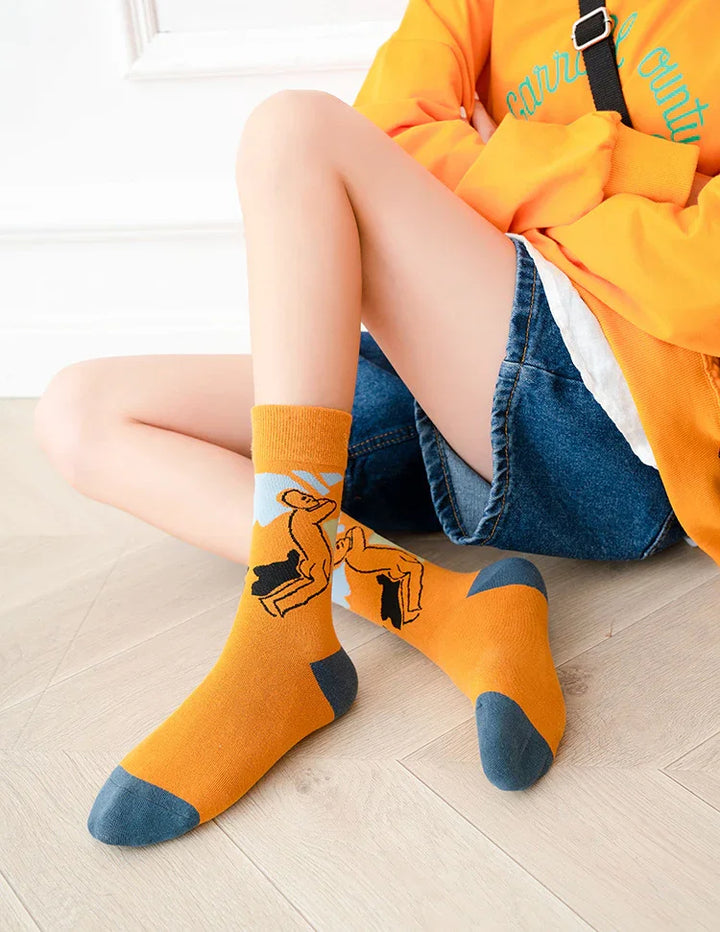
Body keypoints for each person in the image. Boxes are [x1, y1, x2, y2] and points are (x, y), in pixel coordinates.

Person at [33, 0, 714, 846]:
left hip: (632, 413)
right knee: (80, 413)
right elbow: (390, 132)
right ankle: (451, 612)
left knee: (293, 132)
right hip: (462, 353)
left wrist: (500, 174)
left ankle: (282, 637)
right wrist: (663, 182)